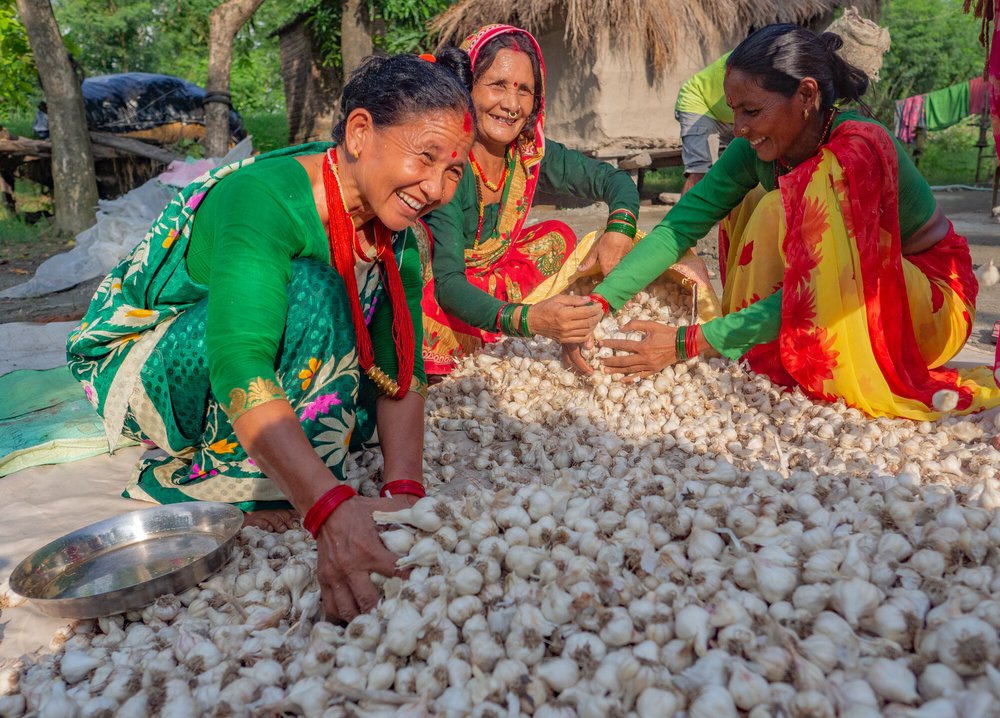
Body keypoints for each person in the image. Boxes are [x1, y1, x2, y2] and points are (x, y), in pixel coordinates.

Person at [66, 50, 475, 621]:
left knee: (352, 395)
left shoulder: (400, 232)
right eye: (424, 158)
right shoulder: (267, 198)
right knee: (313, 292)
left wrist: (406, 490)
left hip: (234, 354)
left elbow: (399, 366)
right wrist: (329, 507)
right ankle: (208, 483)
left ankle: (286, 468)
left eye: (454, 171)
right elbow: (239, 361)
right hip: (156, 360)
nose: (435, 187)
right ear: (360, 132)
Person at [572, 24, 1000, 420]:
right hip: (825, 297)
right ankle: (756, 346)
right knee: (758, 201)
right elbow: (678, 228)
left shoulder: (858, 150)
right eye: (734, 111)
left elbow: (822, 287)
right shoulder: (756, 147)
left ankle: (757, 348)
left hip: (924, 300)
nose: (740, 127)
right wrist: (599, 304)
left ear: (807, 96)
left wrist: (687, 342)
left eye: (753, 111)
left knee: (780, 205)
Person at [419, 24, 642, 375]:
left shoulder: (529, 152)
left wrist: (619, 229)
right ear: (465, 87)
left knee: (557, 237)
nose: (510, 104)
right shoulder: (450, 163)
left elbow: (613, 180)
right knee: (425, 301)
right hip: (447, 286)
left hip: (493, 279)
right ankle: (497, 332)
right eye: (497, 85)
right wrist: (531, 320)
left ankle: (502, 326)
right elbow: (449, 284)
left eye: (524, 90)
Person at [675, 8, 890, 194]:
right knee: (699, 173)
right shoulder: (765, 66)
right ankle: (691, 244)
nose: (739, 129)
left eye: (750, 110)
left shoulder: (857, 137)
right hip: (699, 104)